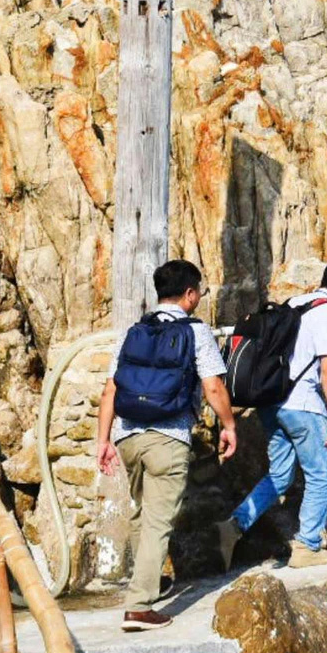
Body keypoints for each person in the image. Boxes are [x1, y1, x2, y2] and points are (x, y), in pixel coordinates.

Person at [92, 260, 236, 631]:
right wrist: (230, 425)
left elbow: (111, 389)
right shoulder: (195, 331)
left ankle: (150, 581)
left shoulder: (134, 331)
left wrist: (104, 439)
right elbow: (214, 387)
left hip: (128, 436)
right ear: (190, 294)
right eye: (199, 292)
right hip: (167, 437)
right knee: (159, 520)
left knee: (142, 512)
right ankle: (139, 607)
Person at [221, 255, 327, 568]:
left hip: (271, 402)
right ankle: (308, 545)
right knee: (321, 476)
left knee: (280, 474)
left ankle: (233, 527)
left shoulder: (296, 303)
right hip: (303, 405)